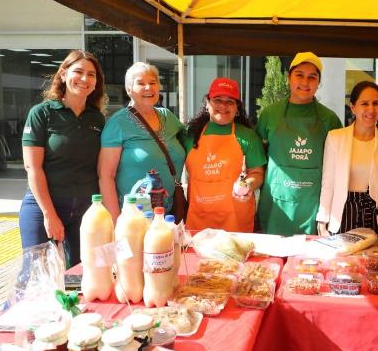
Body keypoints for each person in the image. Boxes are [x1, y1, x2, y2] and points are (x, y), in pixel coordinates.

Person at [19, 50, 106, 267]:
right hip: (43, 207)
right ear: (64, 74)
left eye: (91, 74)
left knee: (82, 275)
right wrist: (49, 215)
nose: (85, 78)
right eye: (78, 72)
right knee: (36, 275)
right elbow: (32, 168)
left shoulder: (97, 119)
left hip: (85, 210)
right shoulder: (41, 113)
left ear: (96, 82)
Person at [256, 52, 342, 235]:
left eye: (312, 77)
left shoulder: (330, 119)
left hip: (313, 205)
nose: (305, 82)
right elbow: (258, 158)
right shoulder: (270, 114)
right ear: (289, 78)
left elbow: (337, 167)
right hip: (275, 203)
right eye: (299, 75)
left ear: (319, 82)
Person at [98, 62, 187, 222]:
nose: (148, 88)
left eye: (153, 82)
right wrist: (116, 221)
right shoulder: (118, 123)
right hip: (134, 217)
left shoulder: (168, 116)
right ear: (129, 89)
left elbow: (193, 140)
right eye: (140, 83)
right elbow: (106, 176)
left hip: (168, 214)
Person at [316, 81, 378, 235]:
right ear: (353, 107)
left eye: (376, 103)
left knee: (377, 251)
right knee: (343, 251)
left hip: (377, 213)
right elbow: (328, 182)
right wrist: (322, 220)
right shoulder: (335, 137)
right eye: (364, 103)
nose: (371, 109)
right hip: (343, 211)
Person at [184, 78, 266, 232]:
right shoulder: (191, 135)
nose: (223, 106)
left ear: (237, 107)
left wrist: (248, 185)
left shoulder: (248, 136)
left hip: (235, 221)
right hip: (199, 220)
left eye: (230, 101)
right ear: (207, 103)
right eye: (217, 100)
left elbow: (257, 173)